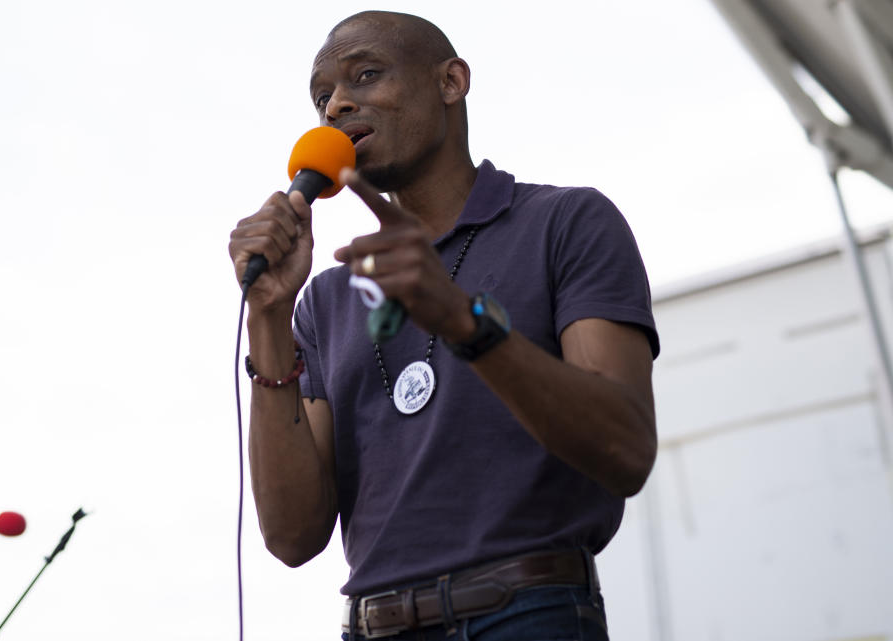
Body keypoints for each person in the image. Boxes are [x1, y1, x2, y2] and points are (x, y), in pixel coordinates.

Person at [228, 10, 659, 640]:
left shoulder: (566, 222)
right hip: (372, 625)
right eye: (323, 97)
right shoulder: (324, 298)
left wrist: (462, 322)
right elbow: (292, 537)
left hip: (528, 612)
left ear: (451, 81)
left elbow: (624, 451)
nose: (337, 103)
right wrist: (269, 314)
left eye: (365, 74)